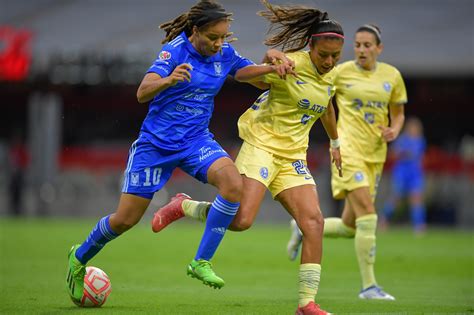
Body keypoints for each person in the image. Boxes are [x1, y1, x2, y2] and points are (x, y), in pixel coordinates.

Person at [65, 0, 293, 304]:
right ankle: (79, 257)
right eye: (213, 37)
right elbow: (142, 92)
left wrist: (272, 65)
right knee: (125, 220)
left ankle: (201, 262)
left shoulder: (223, 54)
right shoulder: (174, 52)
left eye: (224, 37)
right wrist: (169, 79)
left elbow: (245, 74)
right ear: (195, 31)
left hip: (196, 141)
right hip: (155, 146)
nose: (219, 43)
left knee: (233, 184)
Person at [152, 1, 344, 314]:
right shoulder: (291, 64)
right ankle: (183, 206)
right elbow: (247, 75)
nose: (329, 61)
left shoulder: (332, 75)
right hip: (261, 146)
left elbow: (327, 106)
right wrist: (270, 61)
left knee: (314, 222)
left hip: (293, 155)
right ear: (311, 46)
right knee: (241, 221)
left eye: (335, 56)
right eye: (324, 55)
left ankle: (306, 303)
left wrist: (335, 142)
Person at [286, 24, 407, 301]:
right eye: (358, 45)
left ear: (379, 48)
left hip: (375, 155)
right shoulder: (340, 72)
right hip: (347, 151)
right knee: (369, 214)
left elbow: (398, 113)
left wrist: (395, 129)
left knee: (351, 226)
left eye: (368, 45)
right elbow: (322, 97)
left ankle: (300, 228)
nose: (362, 50)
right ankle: (369, 287)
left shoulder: (392, 76)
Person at [381, 116, 426, 233]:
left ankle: (419, 225)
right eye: (412, 127)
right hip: (401, 173)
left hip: (415, 174)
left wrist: (405, 153)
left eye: (416, 128)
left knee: (416, 199)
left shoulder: (420, 141)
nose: (414, 129)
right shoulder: (402, 140)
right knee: (396, 199)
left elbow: (416, 155)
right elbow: (393, 153)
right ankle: (384, 220)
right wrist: (402, 153)